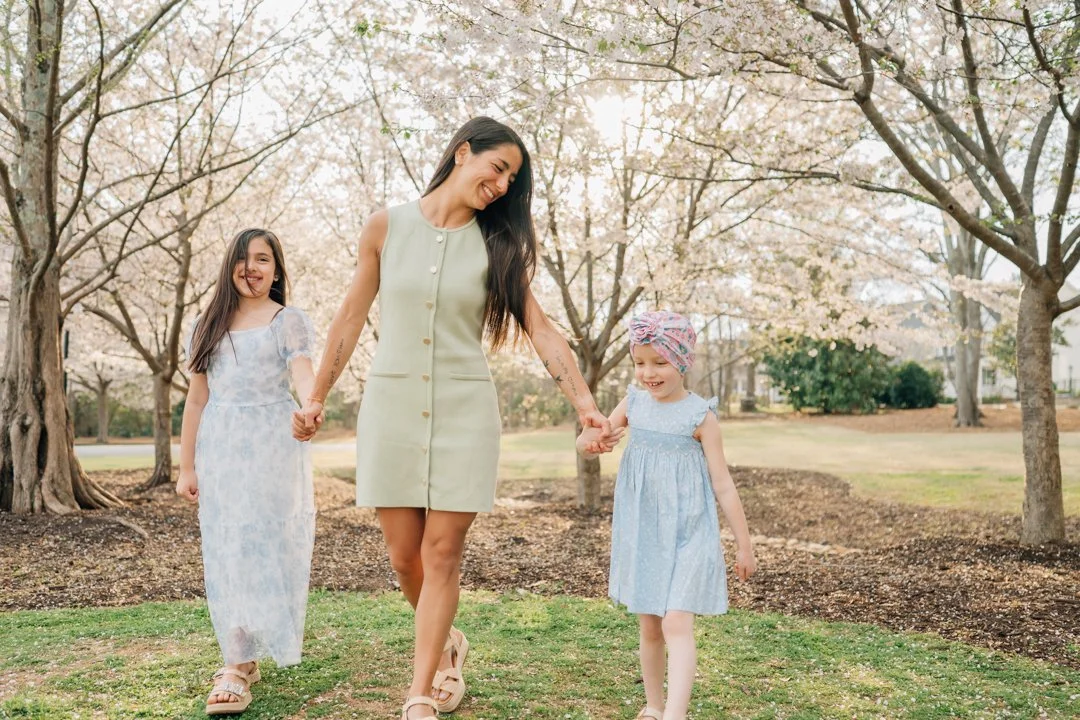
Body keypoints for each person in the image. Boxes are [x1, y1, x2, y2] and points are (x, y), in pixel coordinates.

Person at [291, 116, 612, 720]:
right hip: (390, 407)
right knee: (403, 557)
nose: (503, 185)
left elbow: (541, 330)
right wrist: (317, 398)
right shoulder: (385, 226)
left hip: (466, 412)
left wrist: (587, 408)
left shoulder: (498, 247)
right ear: (463, 152)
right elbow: (349, 318)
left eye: (512, 180)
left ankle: (421, 689)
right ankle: (448, 642)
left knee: (442, 553)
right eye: (499, 168)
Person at [577, 311, 757, 720]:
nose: (648, 373)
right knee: (650, 625)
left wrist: (744, 546)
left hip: (691, 531)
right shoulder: (633, 404)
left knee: (676, 621)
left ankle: (675, 715)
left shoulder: (700, 416)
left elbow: (723, 484)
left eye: (659, 362)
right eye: (640, 363)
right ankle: (654, 706)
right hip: (644, 532)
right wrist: (590, 442)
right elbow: (589, 439)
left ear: (682, 360)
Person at [177, 229, 317, 716]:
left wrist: (310, 405)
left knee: (265, 544)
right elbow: (197, 399)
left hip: (274, 446)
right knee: (228, 547)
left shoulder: (286, 321)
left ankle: (246, 654)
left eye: (263, 259)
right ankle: (236, 661)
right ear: (229, 266)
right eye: (244, 258)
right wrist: (187, 465)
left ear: (276, 270)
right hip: (221, 449)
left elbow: (303, 373)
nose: (252, 268)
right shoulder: (206, 325)